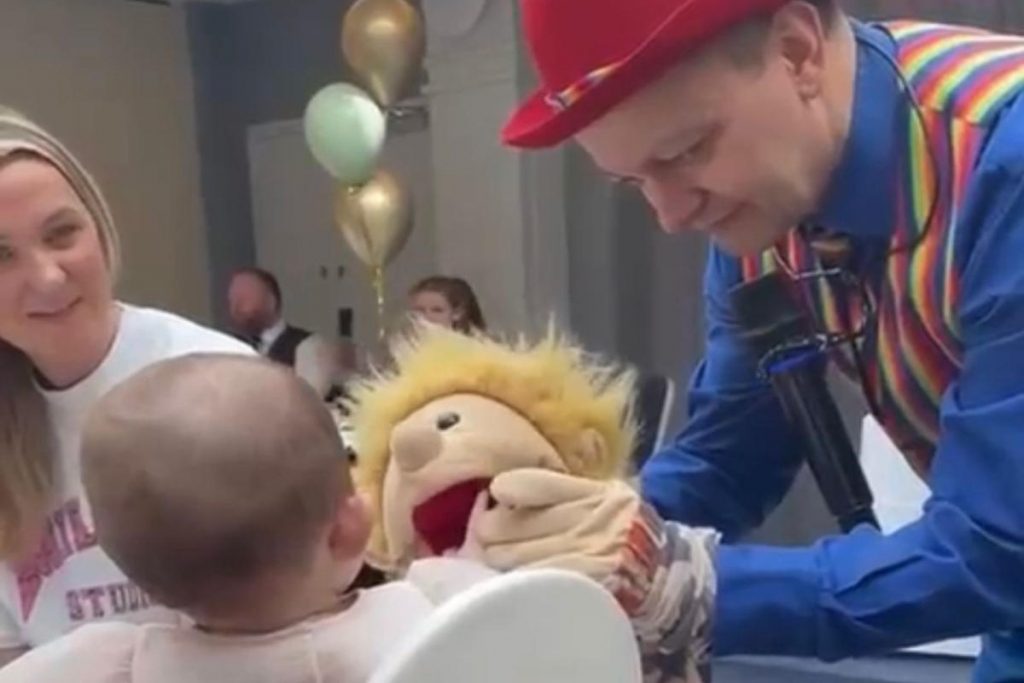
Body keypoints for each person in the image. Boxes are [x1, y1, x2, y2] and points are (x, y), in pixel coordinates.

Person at [470, 1, 1024, 681]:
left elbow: (997, 548)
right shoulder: (769, 207)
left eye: (684, 152)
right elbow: (732, 457)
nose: (672, 216)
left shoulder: (1009, 158)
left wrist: (682, 582)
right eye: (632, 181)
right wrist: (580, 537)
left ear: (797, 51)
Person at [0, 354, 499, 683]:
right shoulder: (415, 615)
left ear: (128, 571)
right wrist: (466, 563)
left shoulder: (116, 664)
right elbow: (508, 612)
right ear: (350, 529)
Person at [0, 108, 253, 663]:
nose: (46, 276)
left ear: (99, 227)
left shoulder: (220, 377)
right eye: (2, 256)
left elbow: (314, 614)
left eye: (61, 233)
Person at [227, 266, 350, 398]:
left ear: (271, 301)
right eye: (232, 300)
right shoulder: (230, 348)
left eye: (245, 297)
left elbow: (307, 402)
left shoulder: (309, 347)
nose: (236, 306)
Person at [408, 276, 486, 334]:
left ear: (457, 313)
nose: (427, 317)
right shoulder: (403, 349)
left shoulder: (476, 350)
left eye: (437, 310)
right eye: (419, 311)